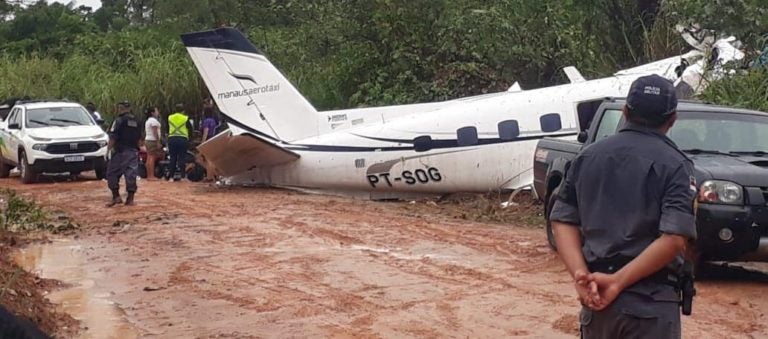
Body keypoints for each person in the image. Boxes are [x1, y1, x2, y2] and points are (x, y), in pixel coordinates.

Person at [550, 75, 696, 339]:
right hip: (651, 307)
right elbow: (674, 238)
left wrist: (580, 274)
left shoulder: (588, 156)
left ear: (625, 111)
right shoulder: (676, 165)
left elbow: (562, 219)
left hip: (598, 304)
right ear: (672, 118)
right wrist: (617, 282)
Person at [106, 101, 141, 206]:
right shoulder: (137, 121)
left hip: (120, 152)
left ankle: (116, 197)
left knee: (111, 173)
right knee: (131, 174)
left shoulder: (118, 120)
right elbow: (140, 137)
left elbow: (113, 137)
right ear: (130, 108)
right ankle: (130, 199)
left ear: (120, 108)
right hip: (133, 151)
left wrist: (108, 150)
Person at [166, 103, 193, 181]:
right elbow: (190, 129)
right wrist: (190, 138)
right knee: (182, 157)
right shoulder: (185, 118)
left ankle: (171, 177)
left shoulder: (170, 117)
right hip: (182, 139)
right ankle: (183, 176)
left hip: (172, 139)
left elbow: (167, 129)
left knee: (172, 158)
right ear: (183, 111)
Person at [144, 107, 164, 181]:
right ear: (152, 113)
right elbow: (155, 132)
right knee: (152, 157)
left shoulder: (148, 121)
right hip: (152, 140)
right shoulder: (153, 121)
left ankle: (149, 175)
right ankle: (151, 175)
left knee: (149, 157)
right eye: (156, 111)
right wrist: (158, 141)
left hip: (148, 139)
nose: (157, 112)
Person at [200, 106, 219, 182]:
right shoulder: (213, 121)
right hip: (213, 139)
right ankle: (214, 176)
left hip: (208, 139)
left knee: (207, 160)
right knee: (211, 159)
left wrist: (203, 142)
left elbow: (206, 131)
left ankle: (209, 177)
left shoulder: (206, 121)